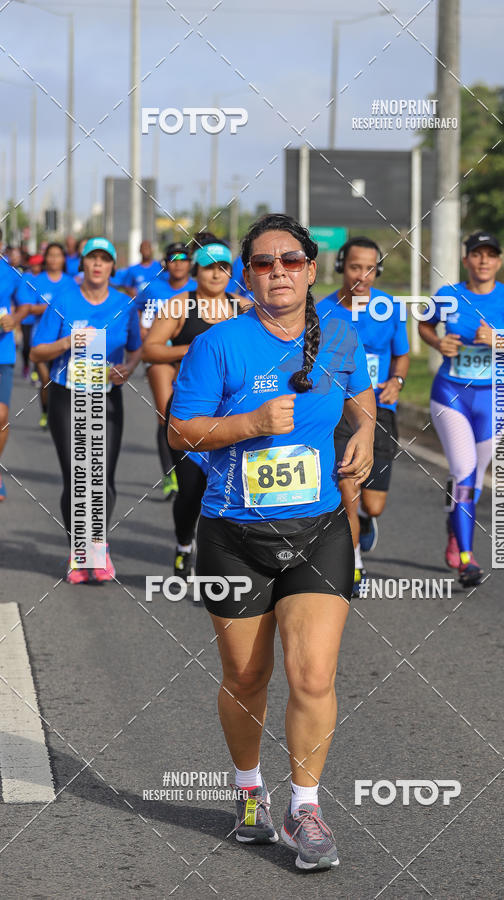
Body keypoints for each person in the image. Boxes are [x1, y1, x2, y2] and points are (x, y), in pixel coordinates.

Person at [169, 213, 375, 870]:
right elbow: (180, 433)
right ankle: (250, 789)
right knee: (246, 675)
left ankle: (304, 808)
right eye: (263, 263)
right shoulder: (219, 344)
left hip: (318, 530)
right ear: (248, 275)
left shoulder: (339, 334)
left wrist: (365, 432)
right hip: (234, 535)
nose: (278, 271)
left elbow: (361, 395)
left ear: (313, 270)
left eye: (290, 260)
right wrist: (251, 422)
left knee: (312, 675)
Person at [418, 231, 504, 587]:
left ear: (499, 262)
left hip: (496, 399)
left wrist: (499, 339)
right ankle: (468, 563)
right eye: (477, 254)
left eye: (491, 254)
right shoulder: (448, 295)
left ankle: (456, 528)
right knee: (465, 472)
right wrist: (438, 342)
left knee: (474, 478)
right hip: (451, 394)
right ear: (466, 260)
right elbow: (424, 324)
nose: (484, 260)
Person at [31, 237, 142, 583]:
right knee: (78, 476)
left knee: (103, 477)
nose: (97, 265)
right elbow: (36, 353)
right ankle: (80, 554)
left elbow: (137, 348)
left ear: (112, 266)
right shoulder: (64, 302)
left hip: (107, 396)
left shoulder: (125, 305)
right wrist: (66, 343)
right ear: (83, 265)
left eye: (104, 259)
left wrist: (130, 368)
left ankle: (98, 547)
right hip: (68, 395)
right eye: (92, 259)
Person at [143, 235, 245, 577]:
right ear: (195, 271)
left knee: (230, 490)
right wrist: (193, 351)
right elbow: (151, 350)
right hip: (189, 410)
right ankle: (184, 543)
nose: (216, 275)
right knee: (190, 491)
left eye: (223, 268)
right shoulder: (178, 305)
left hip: (232, 412)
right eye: (208, 268)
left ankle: (221, 560)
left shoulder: (242, 308)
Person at [319, 237, 410, 595]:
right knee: (347, 490)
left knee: (373, 503)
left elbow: (401, 355)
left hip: (380, 412)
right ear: (342, 265)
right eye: (356, 266)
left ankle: (367, 521)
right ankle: (354, 565)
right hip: (340, 412)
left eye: (370, 268)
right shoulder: (323, 311)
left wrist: (397, 381)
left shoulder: (389, 308)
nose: (363, 275)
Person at [136, 242, 197, 499]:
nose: (179, 262)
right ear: (166, 262)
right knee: (164, 414)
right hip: (160, 357)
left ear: (190, 263)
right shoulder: (153, 289)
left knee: (186, 415)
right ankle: (169, 474)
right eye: (174, 258)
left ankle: (191, 469)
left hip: (190, 358)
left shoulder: (197, 290)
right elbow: (140, 315)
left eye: (184, 258)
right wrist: (145, 336)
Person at [14, 244, 72, 428]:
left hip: (66, 341)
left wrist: (50, 308)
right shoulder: (36, 281)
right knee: (46, 381)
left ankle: (63, 417)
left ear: (63, 259)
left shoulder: (71, 283)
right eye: (51, 256)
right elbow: (29, 307)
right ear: (45, 259)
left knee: (65, 383)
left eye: (58, 256)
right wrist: (53, 309)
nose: (54, 259)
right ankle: (46, 412)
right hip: (41, 340)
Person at [0, 228, 20, 500]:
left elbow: (26, 306)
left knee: (1, 416)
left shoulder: (10, 273)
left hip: (3, 354)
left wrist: (15, 316)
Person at [14, 252, 43, 380]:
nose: (36, 267)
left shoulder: (44, 278)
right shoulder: (25, 277)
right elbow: (20, 297)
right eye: (34, 265)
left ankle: (36, 371)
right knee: (26, 346)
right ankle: (26, 365)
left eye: (39, 265)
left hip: (41, 319)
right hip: (26, 318)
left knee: (37, 345)